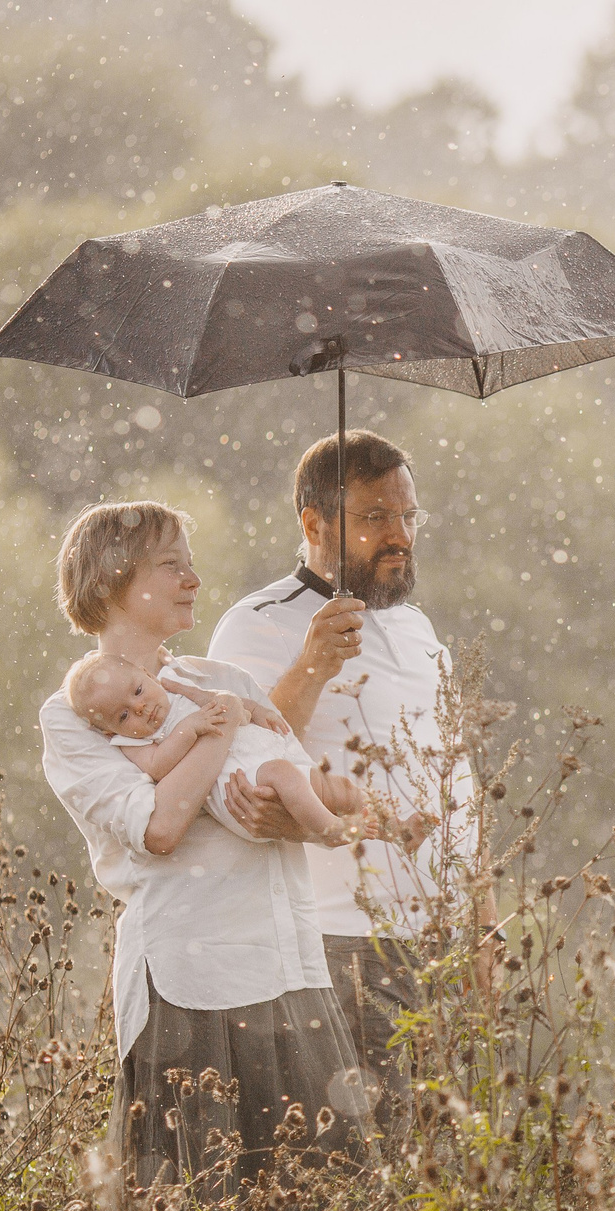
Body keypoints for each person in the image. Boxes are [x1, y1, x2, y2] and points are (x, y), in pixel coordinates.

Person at [38, 499, 372, 1211]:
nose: (193, 578)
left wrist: (319, 808)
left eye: (190, 563)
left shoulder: (221, 677)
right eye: (171, 565)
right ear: (114, 580)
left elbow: (291, 785)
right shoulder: (75, 714)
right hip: (192, 984)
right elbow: (159, 826)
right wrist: (218, 727)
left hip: (289, 964)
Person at [210, 430, 477, 1134]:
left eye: (409, 515)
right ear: (313, 524)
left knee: (445, 1160)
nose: (400, 536)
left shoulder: (417, 628)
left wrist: (479, 916)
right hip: (341, 942)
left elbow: (457, 776)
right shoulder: (255, 625)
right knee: (362, 1163)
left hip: (443, 938)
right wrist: (311, 667)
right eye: (375, 517)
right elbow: (239, 767)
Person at [62, 650, 426, 850]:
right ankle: (330, 830)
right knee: (285, 775)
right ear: (108, 729)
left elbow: (224, 701)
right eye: (123, 715)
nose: (140, 708)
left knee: (340, 788)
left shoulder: (177, 688)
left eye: (138, 691)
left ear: (147, 675)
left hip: (264, 757)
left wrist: (257, 710)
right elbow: (157, 766)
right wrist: (190, 729)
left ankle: (397, 831)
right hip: (240, 788)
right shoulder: (132, 742)